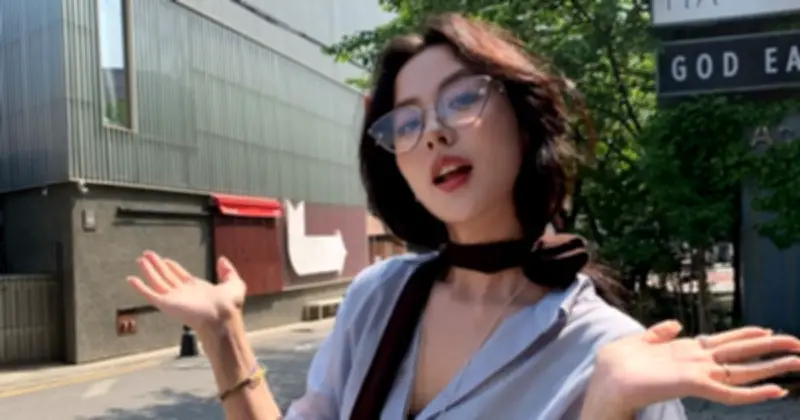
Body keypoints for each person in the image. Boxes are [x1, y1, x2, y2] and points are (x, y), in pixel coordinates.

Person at [127, 13, 800, 420]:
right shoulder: (377, 297)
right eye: (407, 122)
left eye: (461, 99)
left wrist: (606, 409)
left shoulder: (609, 353)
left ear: (525, 118)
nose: (433, 134)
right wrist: (224, 333)